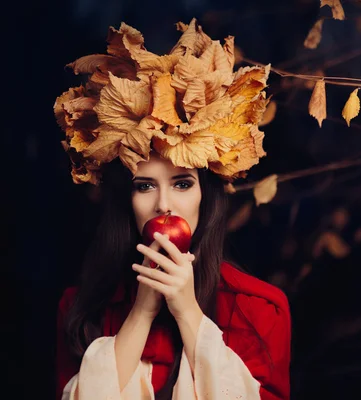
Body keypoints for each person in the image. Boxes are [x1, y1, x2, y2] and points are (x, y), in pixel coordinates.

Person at [54, 18, 291, 400]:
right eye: (144, 186)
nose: (164, 204)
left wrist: (188, 312)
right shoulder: (82, 308)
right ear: (126, 201)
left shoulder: (260, 309)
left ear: (207, 197)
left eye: (182, 184)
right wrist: (143, 312)